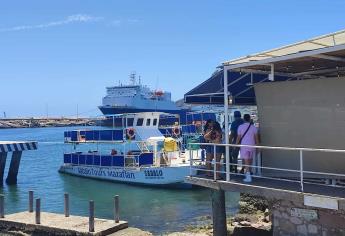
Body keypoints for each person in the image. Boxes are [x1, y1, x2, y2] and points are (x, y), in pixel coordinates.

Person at [236, 114, 259, 183]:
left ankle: (248, 177)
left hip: (244, 146)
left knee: (246, 161)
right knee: (250, 160)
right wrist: (258, 147)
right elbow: (256, 139)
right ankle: (249, 173)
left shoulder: (240, 127)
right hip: (252, 145)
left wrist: (236, 145)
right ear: (249, 119)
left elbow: (238, 137)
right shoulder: (253, 127)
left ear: (243, 119)